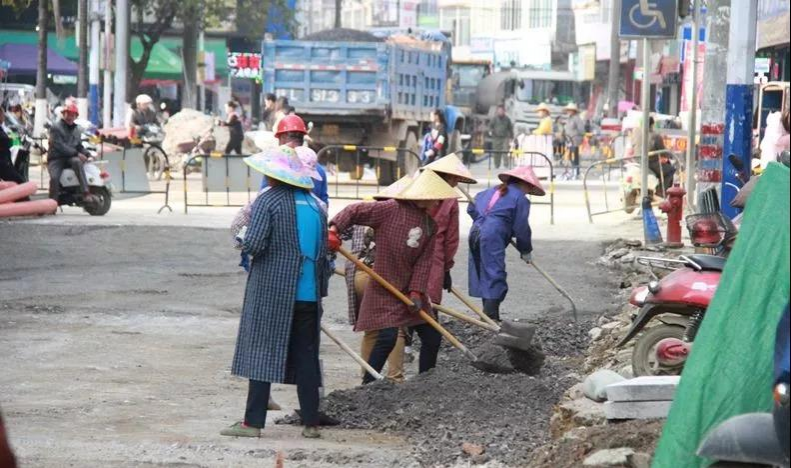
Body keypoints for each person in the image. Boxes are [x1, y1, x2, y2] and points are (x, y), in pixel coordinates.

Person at [221, 146, 329, 440]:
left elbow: (254, 245)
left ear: (274, 175)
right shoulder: (317, 206)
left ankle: (253, 424)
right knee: (307, 357)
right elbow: (325, 253)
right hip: (309, 294)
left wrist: (242, 238)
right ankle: (310, 424)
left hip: (273, 293)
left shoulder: (268, 201)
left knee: (261, 352)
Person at [328, 169, 459, 384]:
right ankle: (369, 386)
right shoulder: (389, 209)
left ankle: (425, 384)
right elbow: (354, 211)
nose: (439, 203)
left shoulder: (429, 225)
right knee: (387, 337)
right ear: (424, 196)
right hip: (384, 287)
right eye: (437, 198)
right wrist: (334, 230)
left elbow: (423, 262)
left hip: (409, 291)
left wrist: (417, 291)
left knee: (432, 336)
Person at [467, 166, 545, 321]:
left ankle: (489, 315)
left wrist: (483, 220)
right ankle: (490, 318)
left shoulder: (488, 192)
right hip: (493, 235)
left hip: (475, 231)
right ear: (526, 184)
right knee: (495, 273)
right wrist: (525, 249)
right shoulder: (521, 199)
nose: (528, 192)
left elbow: (471, 208)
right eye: (529, 188)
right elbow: (521, 227)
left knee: (484, 271)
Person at [421, 153, 477, 305]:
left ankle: (405, 327)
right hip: (434, 252)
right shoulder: (451, 200)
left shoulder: (416, 189)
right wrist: (446, 268)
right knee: (431, 293)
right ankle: (428, 323)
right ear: (449, 177)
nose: (456, 182)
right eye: (455, 178)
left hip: (409, 244)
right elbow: (451, 239)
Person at [260, 115, 329, 205]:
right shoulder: (318, 170)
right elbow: (324, 204)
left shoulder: (275, 167)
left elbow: (262, 198)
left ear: (282, 138)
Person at [47, 104, 94, 202]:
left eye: (72, 115)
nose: (70, 117)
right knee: (54, 178)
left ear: (76, 116)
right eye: (68, 114)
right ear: (63, 114)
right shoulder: (56, 128)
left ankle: (85, 193)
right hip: (56, 158)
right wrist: (77, 154)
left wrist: (88, 154)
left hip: (70, 157)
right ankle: (52, 203)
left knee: (77, 162)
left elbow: (79, 146)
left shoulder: (77, 130)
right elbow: (59, 146)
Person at [643, 116, 675, 196]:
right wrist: (671, 156)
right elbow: (663, 152)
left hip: (638, 161)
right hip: (651, 163)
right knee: (671, 170)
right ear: (653, 124)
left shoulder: (637, 133)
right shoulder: (655, 136)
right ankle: (661, 192)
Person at [0, 107, 25, 184]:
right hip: (3, 165)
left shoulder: (2, 128)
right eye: (2, 114)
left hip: (6, 163)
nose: (3, 117)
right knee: (20, 183)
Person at [563, 103, 584, 177]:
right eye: (568, 110)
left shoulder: (577, 119)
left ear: (573, 111)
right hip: (569, 140)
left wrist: (579, 138)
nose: (568, 111)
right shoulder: (569, 118)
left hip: (575, 140)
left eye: (570, 110)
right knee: (570, 156)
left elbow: (581, 130)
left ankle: (576, 171)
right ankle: (573, 170)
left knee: (575, 157)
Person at [489, 105, 514, 169]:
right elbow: (490, 126)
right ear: (497, 111)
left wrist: (511, 137)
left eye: (502, 111)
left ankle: (506, 165)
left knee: (505, 151)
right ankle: (497, 165)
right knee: (496, 152)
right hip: (496, 138)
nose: (500, 112)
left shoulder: (507, 119)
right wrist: (491, 132)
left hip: (505, 138)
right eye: (499, 111)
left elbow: (510, 128)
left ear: (504, 111)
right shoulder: (494, 119)